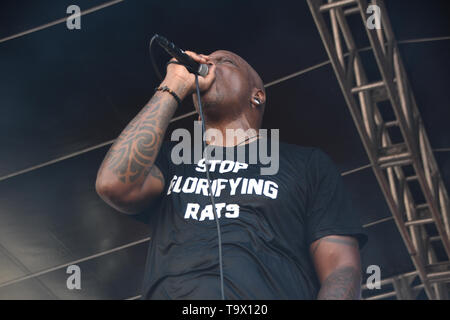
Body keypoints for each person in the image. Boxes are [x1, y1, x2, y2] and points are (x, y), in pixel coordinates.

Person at [95, 49, 367, 299]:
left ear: (257, 95)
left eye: (225, 62)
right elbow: (114, 184)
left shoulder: (307, 165)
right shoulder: (171, 159)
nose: (208, 65)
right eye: (207, 61)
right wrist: (173, 86)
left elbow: (341, 269)